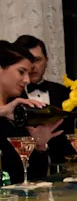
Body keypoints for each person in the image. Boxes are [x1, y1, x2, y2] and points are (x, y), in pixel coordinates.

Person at [0, 41, 57, 185]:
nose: (27, 80)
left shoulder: (19, 110)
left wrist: (39, 146)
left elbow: (35, 178)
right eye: (21, 71)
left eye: (28, 73)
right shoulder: (9, 110)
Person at [13, 35, 72, 176]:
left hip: (63, 173)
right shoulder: (11, 98)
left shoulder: (64, 93)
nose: (32, 67)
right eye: (28, 61)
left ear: (46, 60)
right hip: (25, 174)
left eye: (37, 60)